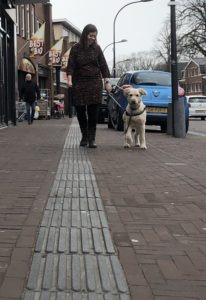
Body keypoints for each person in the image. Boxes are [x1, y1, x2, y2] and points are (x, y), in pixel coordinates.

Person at [66, 24, 112, 148]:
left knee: (93, 113)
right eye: (91, 35)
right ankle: (84, 136)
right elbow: (70, 65)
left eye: (95, 36)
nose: (93, 38)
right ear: (85, 34)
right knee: (80, 111)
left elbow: (103, 65)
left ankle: (92, 139)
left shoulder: (97, 48)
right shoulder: (76, 48)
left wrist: (107, 82)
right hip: (79, 83)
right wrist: (69, 80)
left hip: (94, 83)